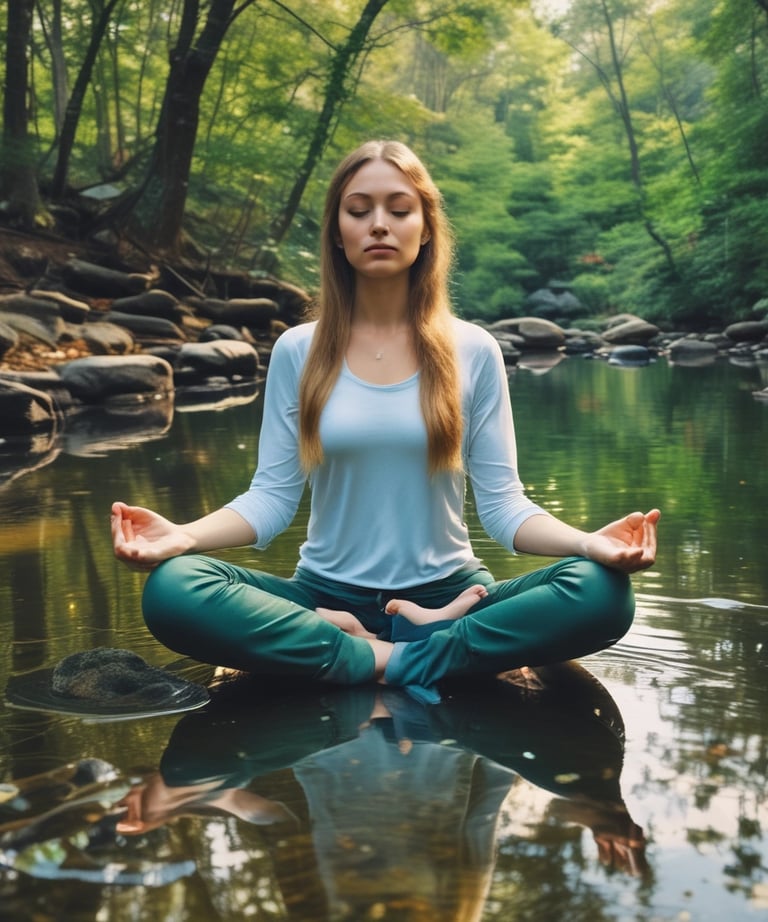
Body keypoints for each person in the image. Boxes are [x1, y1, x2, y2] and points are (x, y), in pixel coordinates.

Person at [111, 139, 659, 700]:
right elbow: (272, 498)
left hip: (452, 594)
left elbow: (503, 507)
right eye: (359, 210)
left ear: (425, 229)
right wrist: (182, 536)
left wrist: (589, 543)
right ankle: (410, 655)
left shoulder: (473, 349)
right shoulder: (299, 350)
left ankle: (370, 655)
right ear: (337, 231)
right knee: (174, 587)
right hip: (323, 599)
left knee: (603, 592)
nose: (379, 225)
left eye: (399, 210)